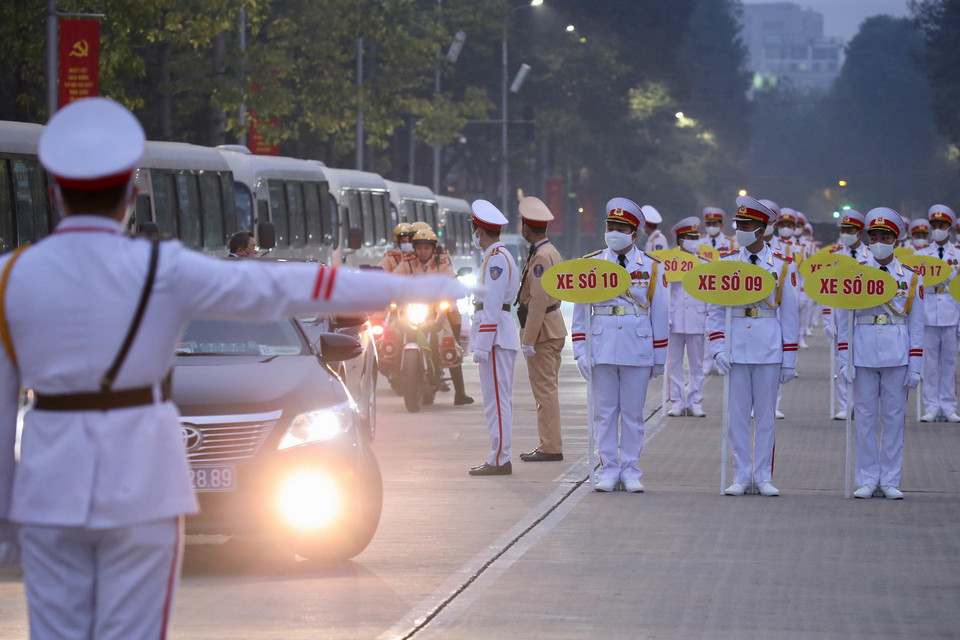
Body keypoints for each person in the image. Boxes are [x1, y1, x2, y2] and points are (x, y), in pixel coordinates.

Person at [0, 97, 467, 640]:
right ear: (132, 192)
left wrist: (7, 516)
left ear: (54, 193)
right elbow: (281, 286)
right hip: (146, 481)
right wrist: (410, 287)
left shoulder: (12, 278)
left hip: (53, 485)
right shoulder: (163, 268)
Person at [572, 198, 668, 492]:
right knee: (603, 412)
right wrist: (580, 351)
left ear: (633, 233)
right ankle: (608, 469)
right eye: (610, 226)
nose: (613, 232)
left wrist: (659, 357)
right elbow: (580, 313)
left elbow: (661, 313)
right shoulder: (591, 264)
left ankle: (631, 469)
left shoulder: (651, 267)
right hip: (601, 346)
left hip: (637, 347)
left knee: (633, 414)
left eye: (620, 228)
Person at [707, 196, 798, 497]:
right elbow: (716, 310)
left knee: (765, 417)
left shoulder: (782, 267)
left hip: (769, 347)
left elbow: (791, 314)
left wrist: (789, 359)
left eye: (745, 226)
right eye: (739, 225)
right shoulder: (728, 264)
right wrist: (718, 347)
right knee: (737, 417)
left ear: (760, 230)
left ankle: (763, 476)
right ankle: (741, 475)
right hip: (736, 347)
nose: (739, 230)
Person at [836, 207, 923, 499]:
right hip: (862, 350)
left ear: (895, 240)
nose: (878, 241)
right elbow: (843, 319)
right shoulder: (855, 273)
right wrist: (843, 359)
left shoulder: (911, 277)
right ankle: (867, 478)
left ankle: (889, 479)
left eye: (885, 236)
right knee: (864, 417)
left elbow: (917, 323)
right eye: (874, 236)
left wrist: (916, 364)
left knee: (894, 418)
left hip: (897, 353)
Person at [394, 226, 474, 406]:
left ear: (433, 248)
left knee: (449, 343)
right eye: (420, 247)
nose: (423, 251)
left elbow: (451, 279)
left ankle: (460, 393)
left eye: (427, 248)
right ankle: (399, 373)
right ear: (414, 248)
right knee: (393, 332)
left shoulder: (442, 262)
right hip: (412, 310)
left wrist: (456, 288)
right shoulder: (406, 262)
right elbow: (394, 278)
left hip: (436, 311)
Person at [468, 200, 520, 476]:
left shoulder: (496, 259)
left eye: (474, 229)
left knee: (497, 402)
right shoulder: (496, 256)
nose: (474, 235)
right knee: (497, 400)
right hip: (498, 335)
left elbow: (492, 304)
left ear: (480, 231)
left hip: (497, 337)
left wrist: (482, 344)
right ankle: (499, 454)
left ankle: (500, 457)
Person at [515, 196, 567, 462]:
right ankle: (549, 443)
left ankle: (550, 446)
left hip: (543, 331)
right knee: (548, 389)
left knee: (544, 391)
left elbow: (538, 300)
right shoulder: (549, 251)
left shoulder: (541, 258)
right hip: (553, 327)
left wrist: (529, 339)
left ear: (527, 227)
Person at [822, 209, 872, 421]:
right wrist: (827, 320)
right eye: (843, 230)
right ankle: (845, 404)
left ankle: (861, 403)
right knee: (841, 361)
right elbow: (825, 291)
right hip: (840, 314)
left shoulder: (870, 256)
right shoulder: (833, 257)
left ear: (859, 232)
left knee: (862, 361)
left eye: (850, 230)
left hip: (863, 316)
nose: (845, 233)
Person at [915, 204, 960, 422]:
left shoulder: (958, 255)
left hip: (952, 312)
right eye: (934, 225)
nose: (937, 229)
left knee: (950, 363)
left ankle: (949, 406)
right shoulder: (921, 254)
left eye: (941, 225)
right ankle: (931, 406)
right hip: (928, 313)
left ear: (949, 228)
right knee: (929, 364)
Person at [667, 216, 708, 417]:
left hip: (697, 318)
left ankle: (695, 401)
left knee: (696, 364)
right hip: (674, 319)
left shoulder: (705, 264)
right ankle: (676, 401)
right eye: (691, 237)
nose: (695, 240)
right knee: (673, 364)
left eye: (696, 236)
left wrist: (710, 319)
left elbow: (709, 293)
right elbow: (663, 291)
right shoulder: (669, 263)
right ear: (681, 241)